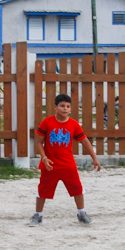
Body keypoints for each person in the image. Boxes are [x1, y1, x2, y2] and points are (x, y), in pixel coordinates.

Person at [30, 93, 102, 225]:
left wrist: (94, 158)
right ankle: (38, 215)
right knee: (43, 190)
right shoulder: (47, 122)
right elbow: (39, 142)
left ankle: (81, 213)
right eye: (62, 106)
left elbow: (85, 142)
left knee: (77, 189)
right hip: (50, 165)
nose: (65, 109)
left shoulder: (74, 124)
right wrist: (44, 158)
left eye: (68, 106)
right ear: (55, 107)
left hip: (68, 164)